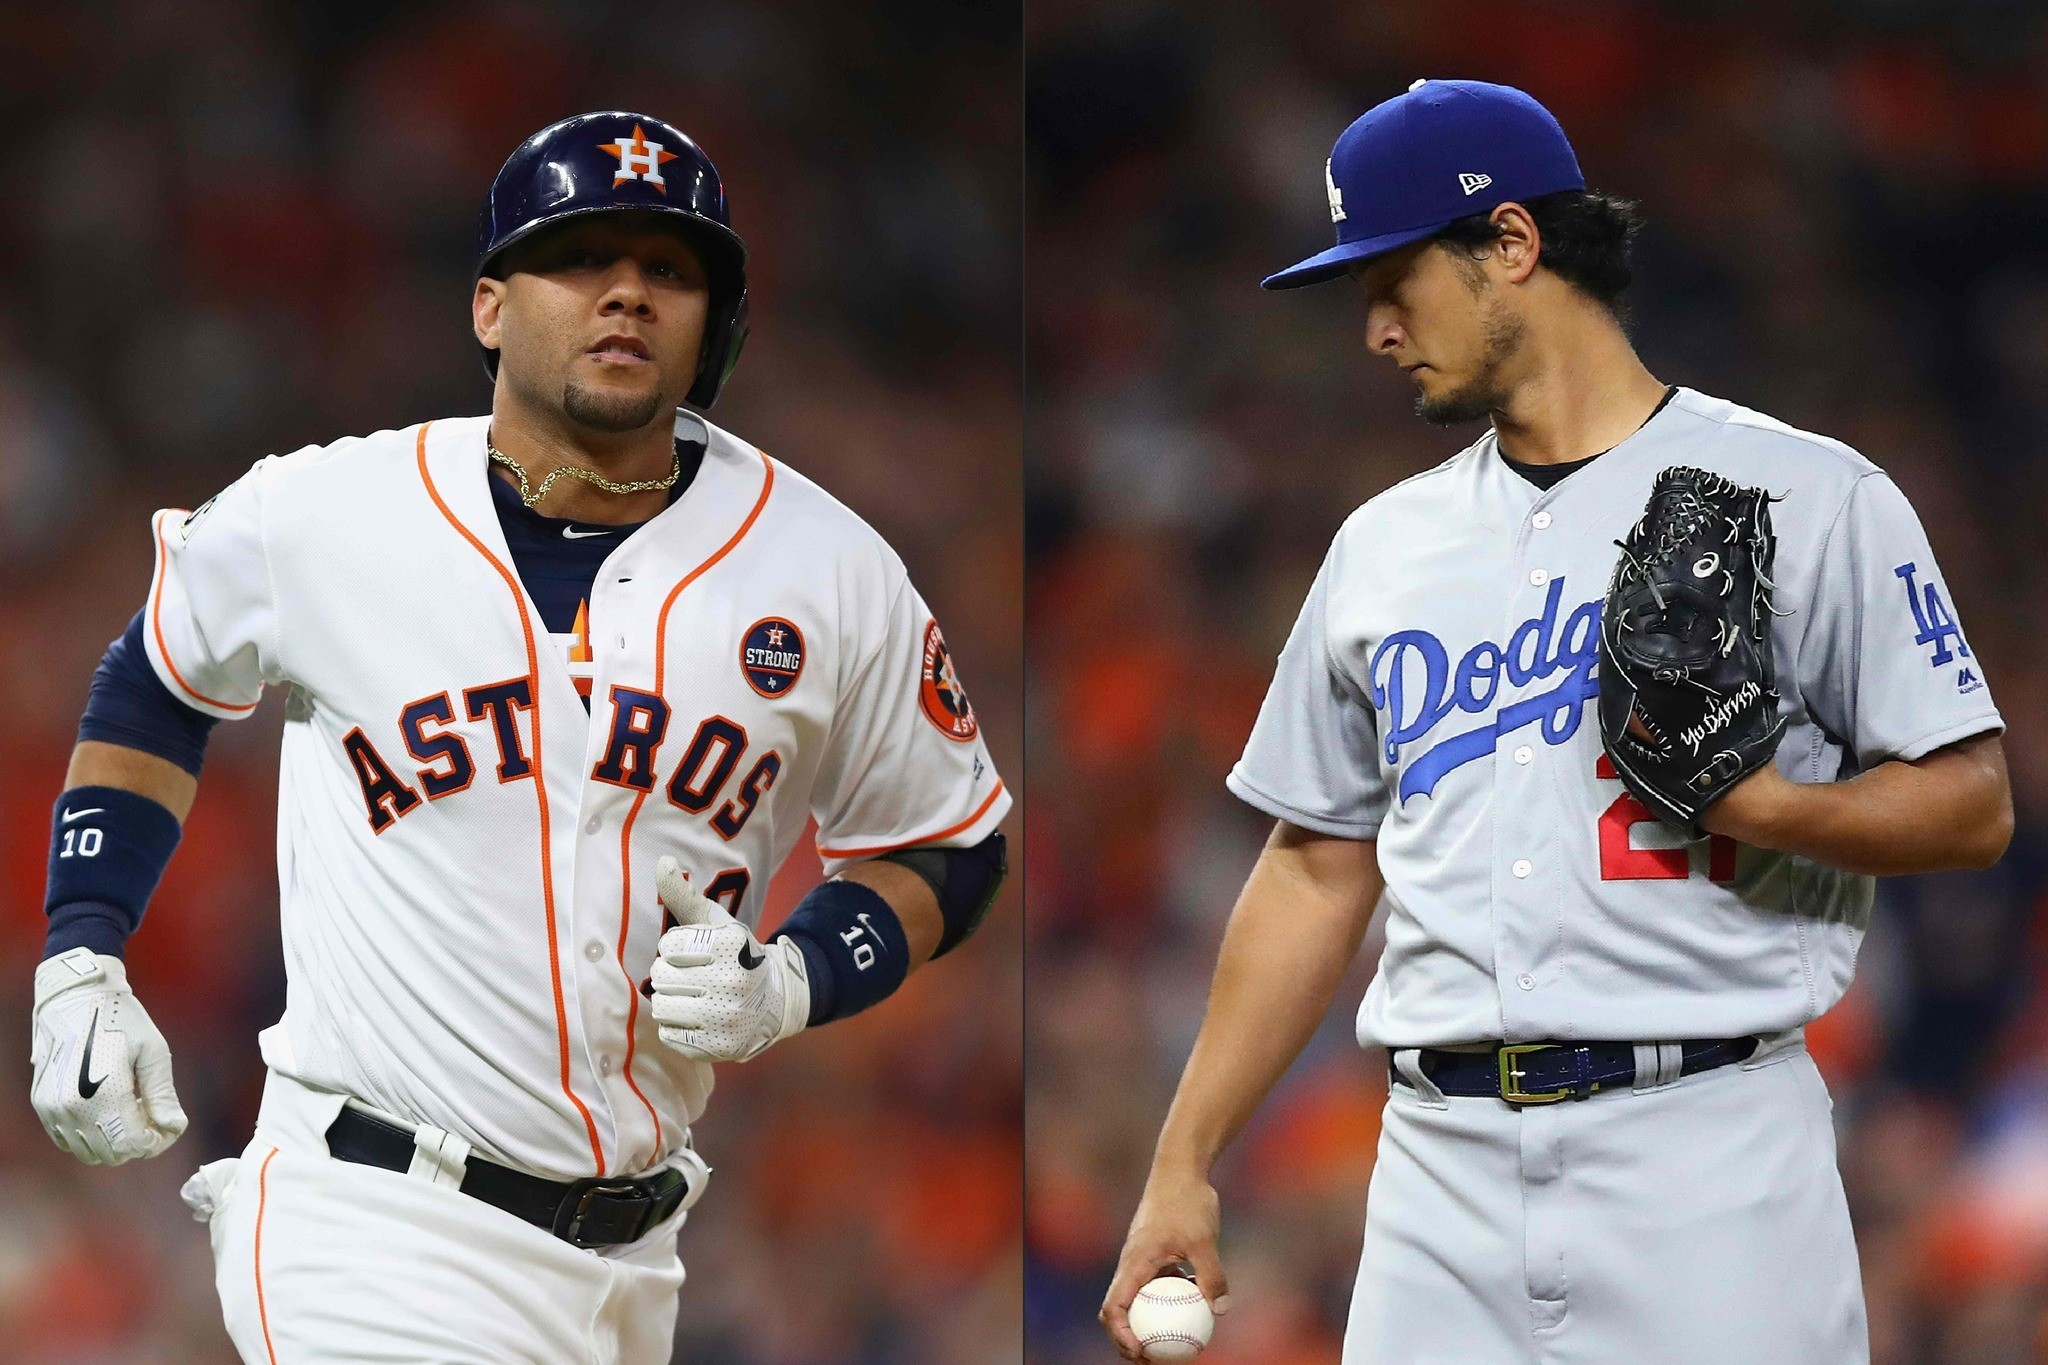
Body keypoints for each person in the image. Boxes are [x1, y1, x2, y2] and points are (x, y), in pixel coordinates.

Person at [30, 110, 1009, 1364]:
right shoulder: (325, 516)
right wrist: (82, 955)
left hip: (636, 1264)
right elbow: (153, 684)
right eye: (580, 256)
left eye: (669, 270)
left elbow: (949, 846)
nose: (625, 295)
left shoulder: (829, 570)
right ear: (490, 307)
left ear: (716, 321)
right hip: (371, 1220)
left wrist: (799, 979)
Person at [1101, 79, 2009, 1365]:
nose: (1370, 328)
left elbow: (1972, 804)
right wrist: (1182, 1160)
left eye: (1392, 279)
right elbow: (1312, 862)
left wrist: (1768, 809)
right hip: (1435, 1174)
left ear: (1511, 248)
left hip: (1707, 1152)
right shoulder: (1382, 546)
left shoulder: (1806, 494)